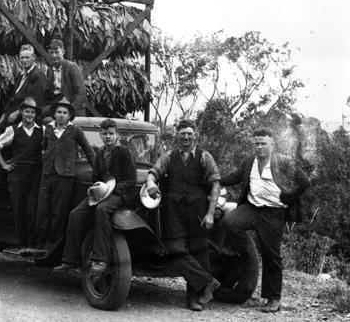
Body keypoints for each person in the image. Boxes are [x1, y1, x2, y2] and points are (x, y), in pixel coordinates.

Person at [220, 128, 310, 313]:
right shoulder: (249, 162)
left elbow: (304, 181)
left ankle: (273, 298)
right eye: (256, 143)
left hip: (273, 213)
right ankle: (244, 256)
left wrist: (288, 196)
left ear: (272, 144)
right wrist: (215, 179)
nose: (259, 147)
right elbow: (235, 177)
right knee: (229, 222)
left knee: (271, 255)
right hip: (252, 208)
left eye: (263, 143)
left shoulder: (283, 162)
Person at [144, 119, 221, 311]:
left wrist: (210, 214)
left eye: (189, 134)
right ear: (178, 136)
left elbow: (215, 185)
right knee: (175, 250)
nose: (186, 137)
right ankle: (208, 282)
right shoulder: (169, 156)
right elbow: (154, 172)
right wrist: (151, 183)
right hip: (175, 211)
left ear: (195, 136)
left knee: (198, 252)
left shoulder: (205, 157)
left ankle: (193, 299)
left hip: (198, 211)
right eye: (182, 134)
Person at [53, 118, 137, 274]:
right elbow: (96, 177)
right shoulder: (99, 154)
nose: (108, 137)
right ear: (100, 135)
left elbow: (131, 181)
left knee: (102, 210)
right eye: (105, 134)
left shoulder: (125, 152)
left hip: (121, 194)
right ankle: (70, 260)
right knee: (75, 214)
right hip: (103, 193)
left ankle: (101, 259)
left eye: (111, 134)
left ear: (117, 135)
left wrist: (112, 189)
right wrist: (96, 188)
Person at [33, 98, 95, 254]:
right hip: (47, 175)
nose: (61, 115)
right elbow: (44, 148)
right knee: (42, 211)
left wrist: (100, 171)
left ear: (69, 115)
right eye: (59, 112)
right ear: (54, 114)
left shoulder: (75, 131)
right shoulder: (48, 129)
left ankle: (52, 246)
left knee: (58, 212)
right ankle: (39, 245)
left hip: (65, 176)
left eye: (64, 113)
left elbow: (88, 151)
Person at [0, 97, 43, 248]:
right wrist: (3, 164)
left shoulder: (42, 130)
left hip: (35, 173)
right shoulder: (13, 130)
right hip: (17, 174)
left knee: (32, 209)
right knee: (19, 209)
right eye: (27, 111)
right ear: (21, 112)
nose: (29, 115)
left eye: (32, 112)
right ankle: (22, 245)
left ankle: (31, 244)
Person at [2, 44, 47, 125]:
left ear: (33, 57)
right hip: (12, 113)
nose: (24, 60)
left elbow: (35, 100)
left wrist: (16, 113)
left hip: (26, 116)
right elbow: (13, 97)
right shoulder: (21, 75)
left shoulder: (39, 75)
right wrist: (4, 114)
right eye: (22, 58)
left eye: (27, 57)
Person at [44, 39, 87, 117]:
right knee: (39, 113)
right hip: (57, 104)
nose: (54, 55)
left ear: (63, 52)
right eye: (51, 53)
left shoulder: (71, 67)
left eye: (57, 52)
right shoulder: (50, 70)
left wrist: (70, 110)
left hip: (71, 104)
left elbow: (81, 93)